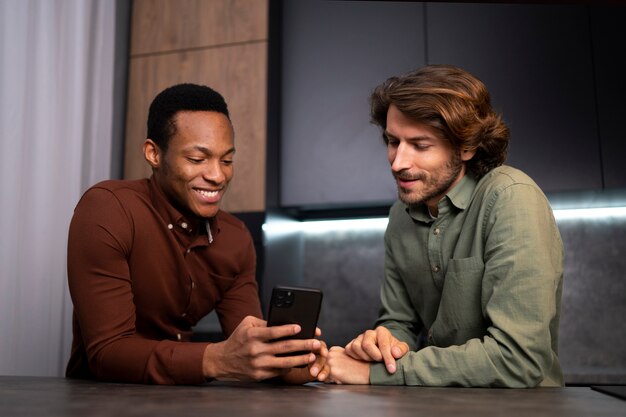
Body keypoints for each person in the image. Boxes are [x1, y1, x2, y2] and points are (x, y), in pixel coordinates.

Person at [66, 83, 328, 384]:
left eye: (227, 160)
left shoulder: (236, 238)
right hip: (97, 403)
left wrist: (295, 364)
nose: (217, 176)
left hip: (184, 401)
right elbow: (107, 353)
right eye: (197, 159)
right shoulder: (108, 209)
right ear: (153, 153)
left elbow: (248, 345)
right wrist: (215, 359)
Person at [321, 64, 564, 387]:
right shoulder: (400, 216)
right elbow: (399, 322)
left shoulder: (510, 197)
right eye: (393, 141)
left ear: (467, 147)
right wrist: (382, 343)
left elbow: (518, 358)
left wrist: (374, 373)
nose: (398, 162)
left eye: (420, 146)